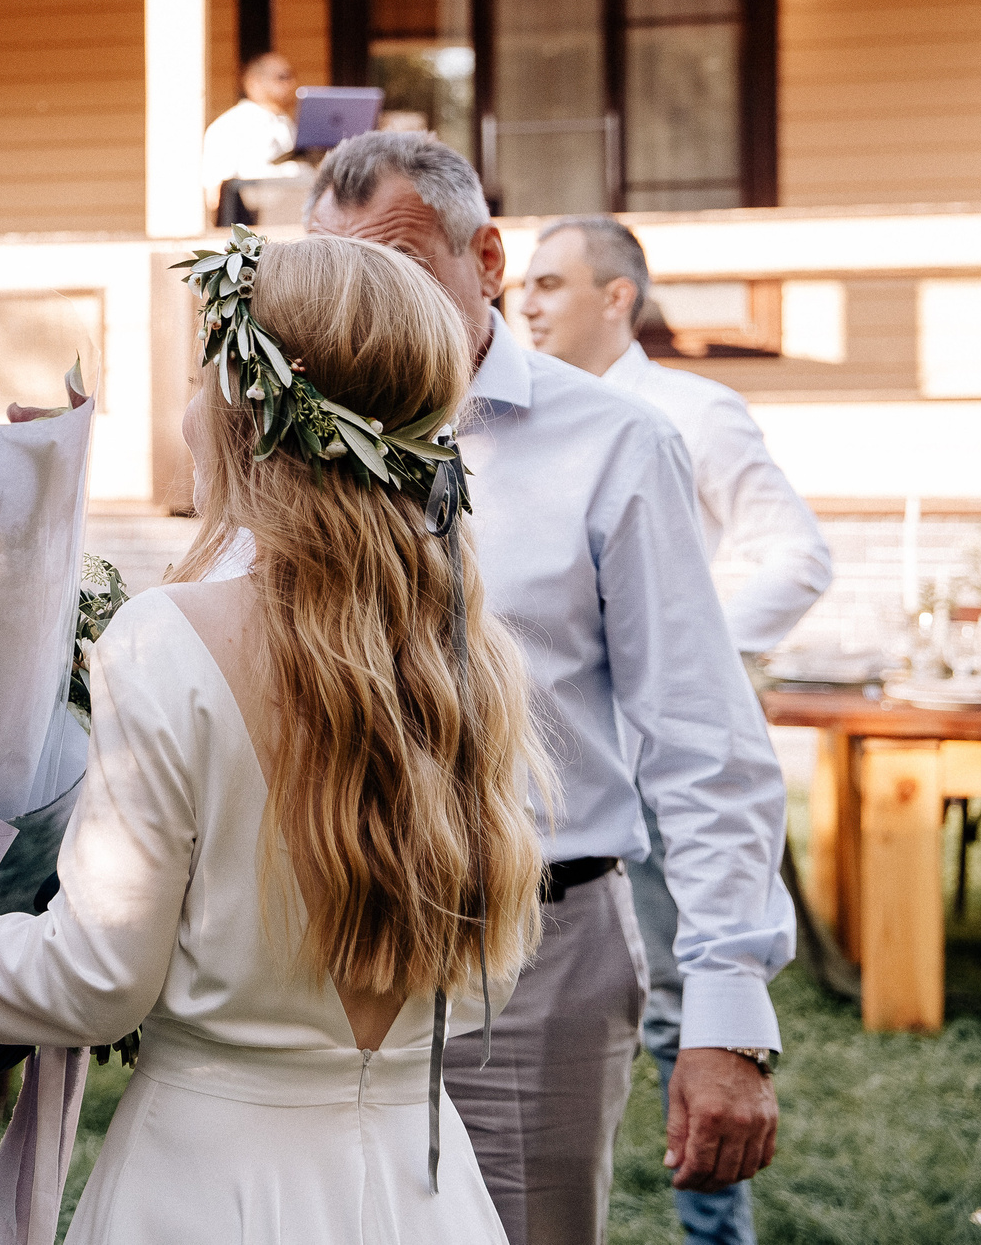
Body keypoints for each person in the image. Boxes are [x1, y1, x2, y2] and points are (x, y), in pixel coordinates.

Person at [0, 232, 547, 1242]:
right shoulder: (468, 656)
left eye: (198, 378)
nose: (186, 415)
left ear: (254, 409)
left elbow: (91, 983)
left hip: (210, 1192)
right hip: (423, 1192)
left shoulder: (168, 639)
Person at [307, 134, 793, 1245]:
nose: (358, 310)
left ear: (485, 259)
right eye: (334, 277)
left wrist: (724, 1012)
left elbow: (701, 736)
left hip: (538, 952)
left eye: (396, 267)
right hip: (315, 951)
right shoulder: (294, 447)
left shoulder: (615, 442)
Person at [521, 215, 833, 1245]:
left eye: (552, 283)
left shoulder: (698, 412)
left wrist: (689, 652)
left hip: (661, 764)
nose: (525, 302)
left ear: (618, 298)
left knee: (681, 1016)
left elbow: (795, 555)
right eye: (523, 282)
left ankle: (714, 1231)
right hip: (554, 776)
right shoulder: (509, 423)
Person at [202, 51, 302, 224]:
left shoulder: (285, 123)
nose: (290, 83)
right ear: (254, 82)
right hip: (252, 233)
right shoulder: (231, 124)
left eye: (291, 76)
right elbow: (216, 195)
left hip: (290, 226)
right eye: (281, 77)